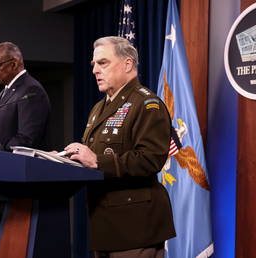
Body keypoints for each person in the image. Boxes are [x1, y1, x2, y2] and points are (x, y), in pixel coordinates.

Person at [64, 36, 175, 258]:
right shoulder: (99, 107)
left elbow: (150, 160)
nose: (95, 70)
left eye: (103, 63)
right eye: (94, 64)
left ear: (127, 64)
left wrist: (97, 161)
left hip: (135, 226)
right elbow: (92, 156)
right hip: (105, 224)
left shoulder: (146, 104)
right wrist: (62, 158)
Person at [0, 42, 51, 230]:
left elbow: (26, 139)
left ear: (14, 63)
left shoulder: (30, 90)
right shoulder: (6, 91)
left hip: (14, 187)